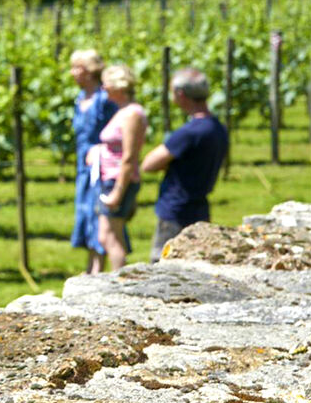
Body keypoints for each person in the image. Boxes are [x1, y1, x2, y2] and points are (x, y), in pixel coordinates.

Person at [141, 68, 228, 262]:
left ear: (180, 94)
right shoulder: (218, 129)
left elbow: (149, 164)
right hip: (200, 208)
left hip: (176, 210)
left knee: (163, 265)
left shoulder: (189, 133)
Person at [88, 64, 145, 271]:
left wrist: (118, 192)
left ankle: (119, 283)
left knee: (110, 237)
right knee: (108, 236)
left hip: (117, 181)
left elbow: (129, 156)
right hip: (109, 179)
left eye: (107, 84)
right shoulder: (123, 112)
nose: (103, 89)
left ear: (118, 87)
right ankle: (119, 280)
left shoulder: (132, 114)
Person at [68, 49, 118, 275]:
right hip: (84, 166)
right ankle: (90, 266)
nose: (72, 73)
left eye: (76, 68)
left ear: (88, 72)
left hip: (101, 165)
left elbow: (116, 132)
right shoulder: (80, 99)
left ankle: (99, 268)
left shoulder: (103, 100)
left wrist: (100, 149)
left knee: (99, 212)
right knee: (86, 211)